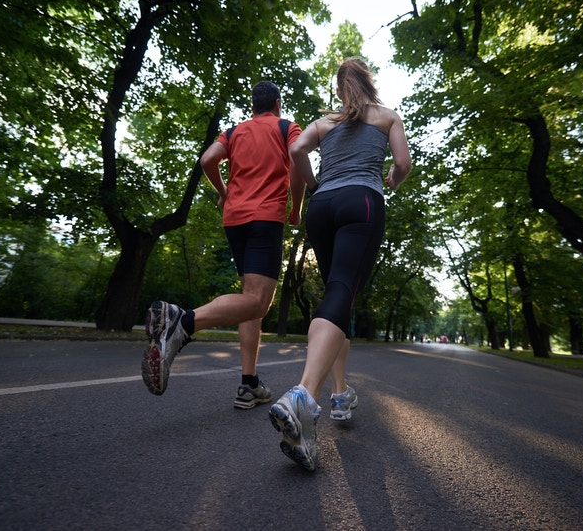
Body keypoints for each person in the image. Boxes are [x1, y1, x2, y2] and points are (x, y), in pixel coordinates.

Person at [268, 58, 411, 471]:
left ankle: (340, 394)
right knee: (343, 290)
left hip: (322, 206)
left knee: (336, 294)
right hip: (360, 202)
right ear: (369, 81)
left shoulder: (324, 122)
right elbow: (402, 164)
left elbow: (295, 149)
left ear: (339, 88)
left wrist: (312, 184)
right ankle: (303, 396)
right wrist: (390, 182)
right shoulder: (386, 117)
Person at [142, 81, 305, 409]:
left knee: (248, 299)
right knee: (259, 302)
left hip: (234, 220)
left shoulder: (234, 132)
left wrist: (225, 192)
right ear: (277, 103)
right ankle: (182, 322)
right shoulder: (287, 127)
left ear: (253, 106)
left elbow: (207, 160)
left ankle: (249, 384)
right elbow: (299, 158)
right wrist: (296, 208)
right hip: (265, 218)